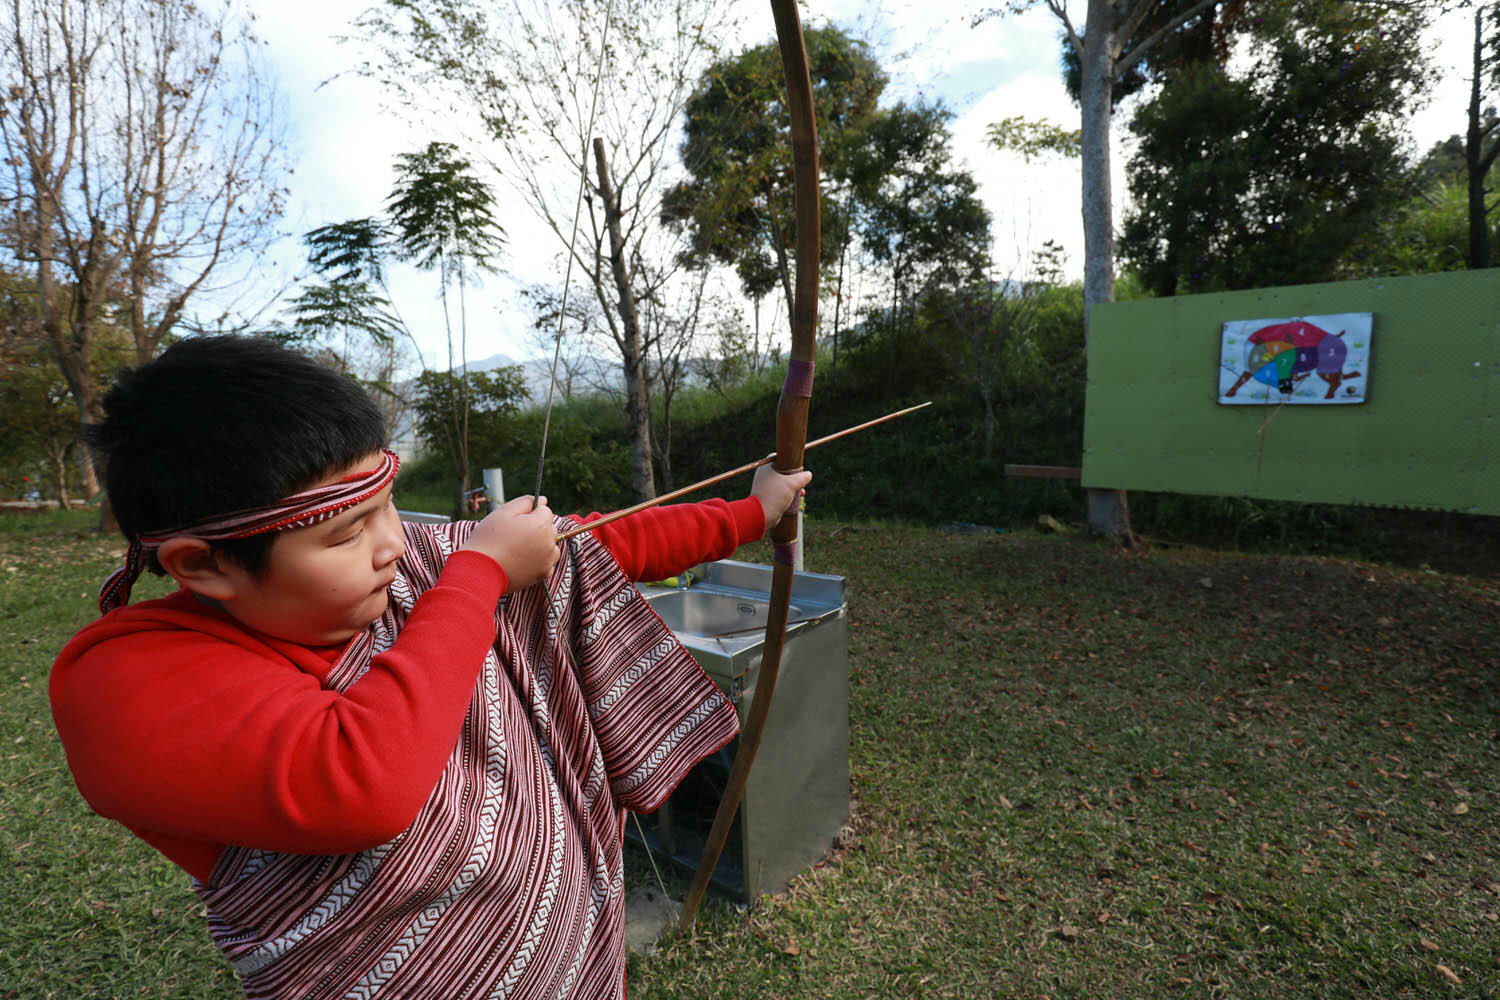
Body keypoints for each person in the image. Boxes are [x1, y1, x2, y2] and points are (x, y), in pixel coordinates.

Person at [49, 335, 811, 1000]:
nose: (392, 542)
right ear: (202, 565)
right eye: (348, 533)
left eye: (389, 504)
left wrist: (753, 512)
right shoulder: (122, 683)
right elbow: (361, 784)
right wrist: (478, 576)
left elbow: (593, 548)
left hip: (567, 959)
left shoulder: (415, 570)